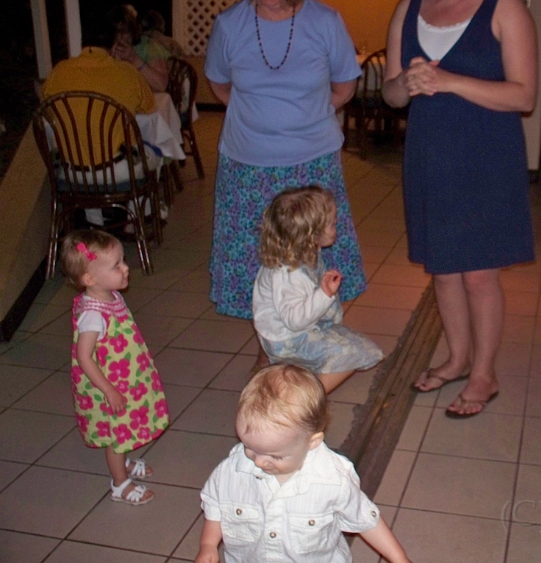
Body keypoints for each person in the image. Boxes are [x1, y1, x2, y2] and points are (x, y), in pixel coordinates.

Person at [383, 0, 538, 417]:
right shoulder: (408, 6)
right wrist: (405, 83)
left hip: (487, 157)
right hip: (430, 155)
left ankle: (484, 374)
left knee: (479, 274)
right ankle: (457, 359)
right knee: (444, 270)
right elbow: (392, 95)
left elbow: (524, 96)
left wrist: (449, 81)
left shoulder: (505, 5)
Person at [204, 0, 366, 369]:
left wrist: (304, 118)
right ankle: (272, 350)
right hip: (247, 165)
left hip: (312, 164)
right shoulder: (230, 25)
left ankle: (306, 343)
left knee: (312, 262)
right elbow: (219, 84)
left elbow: (345, 86)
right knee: (259, 266)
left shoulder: (325, 22)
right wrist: (259, 118)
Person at [195, 364, 412, 563]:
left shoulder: (333, 480)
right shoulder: (231, 470)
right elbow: (216, 505)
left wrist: (399, 558)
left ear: (312, 442)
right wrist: (208, 545)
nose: (259, 461)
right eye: (249, 448)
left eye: (275, 456)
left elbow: (366, 520)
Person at [61, 229, 170, 505]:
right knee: (116, 435)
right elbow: (84, 358)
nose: (125, 268)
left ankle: (123, 461)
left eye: (123, 261)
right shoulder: (92, 315)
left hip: (124, 378)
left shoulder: (110, 296)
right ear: (90, 279)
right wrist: (109, 391)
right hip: (108, 386)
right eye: (116, 265)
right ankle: (120, 484)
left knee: (123, 428)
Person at [253, 186, 383, 392]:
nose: (337, 223)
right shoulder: (288, 273)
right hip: (289, 339)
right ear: (310, 234)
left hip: (296, 332)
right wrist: (324, 295)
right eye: (332, 223)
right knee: (350, 355)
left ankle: (296, 381)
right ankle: (308, 400)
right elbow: (295, 320)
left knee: (355, 345)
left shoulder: (301, 248)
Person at [41, 7, 160, 226]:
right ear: (114, 44)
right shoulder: (127, 73)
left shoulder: (58, 72)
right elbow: (149, 109)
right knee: (156, 152)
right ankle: (141, 215)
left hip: (69, 172)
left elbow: (47, 113)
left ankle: (95, 220)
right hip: (117, 170)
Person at [108, 5, 170, 93]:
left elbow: (161, 85)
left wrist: (133, 58)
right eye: (115, 32)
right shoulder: (106, 48)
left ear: (132, 31)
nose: (119, 37)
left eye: (123, 32)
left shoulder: (147, 46)